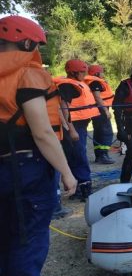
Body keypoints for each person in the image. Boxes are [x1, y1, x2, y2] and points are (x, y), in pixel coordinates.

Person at [0, 15, 77, 276]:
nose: (37, 52)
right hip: (28, 169)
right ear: (27, 41)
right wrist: (67, 172)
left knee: (6, 234)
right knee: (28, 236)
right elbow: (42, 133)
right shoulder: (29, 74)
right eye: (37, 46)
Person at [53, 59, 99, 200]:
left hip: (81, 125)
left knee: (78, 155)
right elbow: (64, 108)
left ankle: (78, 187)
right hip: (74, 126)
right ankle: (82, 188)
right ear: (73, 72)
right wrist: (71, 129)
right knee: (78, 157)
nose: (84, 74)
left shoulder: (77, 84)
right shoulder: (67, 86)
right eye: (82, 72)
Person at [85, 65, 115, 164]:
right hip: (100, 110)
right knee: (106, 132)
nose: (103, 73)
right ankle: (103, 155)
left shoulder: (94, 81)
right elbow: (97, 97)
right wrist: (105, 111)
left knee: (99, 132)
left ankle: (100, 155)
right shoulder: (95, 82)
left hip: (98, 109)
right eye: (101, 72)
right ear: (96, 73)